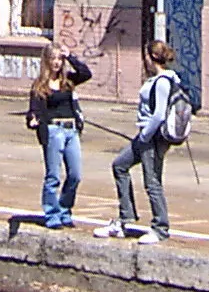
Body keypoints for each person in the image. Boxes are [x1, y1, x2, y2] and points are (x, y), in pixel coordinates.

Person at [96, 39, 177, 244]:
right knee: (120, 165)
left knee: (152, 182)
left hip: (152, 138)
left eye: (146, 58)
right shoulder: (159, 80)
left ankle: (160, 228)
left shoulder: (163, 82)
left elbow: (158, 115)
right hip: (145, 136)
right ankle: (125, 218)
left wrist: (144, 135)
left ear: (151, 58)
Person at [25, 46, 92, 229]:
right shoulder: (40, 85)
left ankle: (64, 209)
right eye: (53, 59)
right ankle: (52, 214)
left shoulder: (68, 81)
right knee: (53, 176)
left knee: (75, 174)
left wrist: (70, 55)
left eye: (59, 59)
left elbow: (86, 73)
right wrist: (33, 119)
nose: (56, 62)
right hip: (54, 131)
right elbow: (34, 110)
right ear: (46, 61)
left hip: (71, 130)